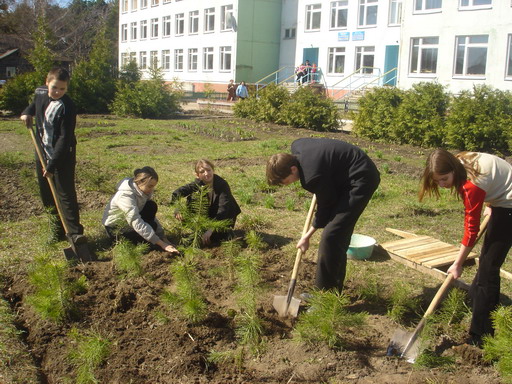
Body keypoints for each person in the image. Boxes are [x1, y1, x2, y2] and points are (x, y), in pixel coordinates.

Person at [419, 149, 512, 347]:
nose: (442, 185)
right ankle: (483, 308)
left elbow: (471, 230)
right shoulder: (460, 161)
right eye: (437, 181)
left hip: (509, 205)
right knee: (487, 265)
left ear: (453, 169)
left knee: (489, 268)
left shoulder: (472, 185)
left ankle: (481, 336)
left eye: (444, 179)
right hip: (501, 198)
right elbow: (493, 171)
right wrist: (491, 200)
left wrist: (458, 264)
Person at [266, 138, 380, 293]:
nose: (283, 185)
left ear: (293, 169)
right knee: (338, 236)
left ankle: (324, 295)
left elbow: (325, 208)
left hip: (361, 179)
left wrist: (307, 236)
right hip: (342, 176)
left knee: (331, 235)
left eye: (283, 181)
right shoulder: (297, 146)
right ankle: (334, 290)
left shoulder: (312, 177)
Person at [20, 67, 85, 244]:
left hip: (62, 155)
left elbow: (65, 139)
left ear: (67, 88)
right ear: (47, 82)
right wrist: (27, 112)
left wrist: (51, 166)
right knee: (47, 194)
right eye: (54, 87)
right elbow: (34, 105)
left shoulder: (68, 106)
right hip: (41, 150)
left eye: (62, 89)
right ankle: (56, 230)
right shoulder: (40, 93)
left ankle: (74, 234)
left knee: (65, 194)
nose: (57, 92)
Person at [102, 166, 179, 254]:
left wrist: (163, 238)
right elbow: (135, 220)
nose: (152, 190)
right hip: (116, 228)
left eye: (153, 186)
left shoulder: (143, 191)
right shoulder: (125, 195)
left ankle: (148, 238)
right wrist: (161, 244)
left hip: (128, 221)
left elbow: (152, 217)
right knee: (150, 235)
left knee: (151, 206)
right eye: (150, 186)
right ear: (140, 182)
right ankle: (122, 243)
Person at [171, 159, 241, 245]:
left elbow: (223, 209)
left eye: (209, 170)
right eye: (202, 171)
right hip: (206, 217)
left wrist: (210, 230)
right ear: (197, 175)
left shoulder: (222, 185)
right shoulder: (197, 184)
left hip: (223, 217)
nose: (206, 173)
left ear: (213, 170)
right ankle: (200, 232)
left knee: (219, 236)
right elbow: (177, 193)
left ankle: (224, 234)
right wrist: (178, 209)